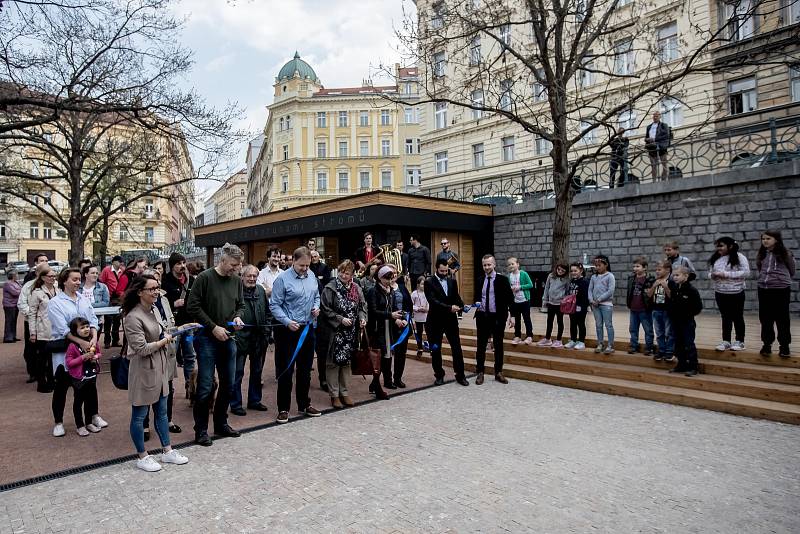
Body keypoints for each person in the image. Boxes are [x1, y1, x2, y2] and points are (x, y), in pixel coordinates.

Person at [122, 274, 189, 472]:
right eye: (151, 289)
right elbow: (141, 348)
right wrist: (164, 341)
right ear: (140, 292)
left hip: (160, 367)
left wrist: (181, 328)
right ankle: (142, 455)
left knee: (161, 411)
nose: (156, 292)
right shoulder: (132, 317)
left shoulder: (154, 310)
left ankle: (167, 451)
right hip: (143, 370)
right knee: (140, 414)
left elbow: (164, 332)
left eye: (157, 288)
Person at [186, 243, 246, 446]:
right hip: (206, 339)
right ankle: (201, 430)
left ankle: (221, 423)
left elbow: (241, 305)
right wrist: (213, 327)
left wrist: (238, 318)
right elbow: (192, 306)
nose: (236, 269)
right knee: (205, 386)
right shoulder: (204, 278)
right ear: (222, 260)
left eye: (238, 265)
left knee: (229, 384)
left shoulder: (236, 281)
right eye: (233, 264)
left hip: (228, 337)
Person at [48, 267, 105, 438]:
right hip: (67, 351)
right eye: (74, 279)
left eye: (79, 279)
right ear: (64, 281)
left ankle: (93, 416)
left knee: (90, 385)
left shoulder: (83, 299)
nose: (78, 282)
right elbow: (62, 328)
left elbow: (93, 319)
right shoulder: (55, 302)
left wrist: (94, 337)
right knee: (62, 387)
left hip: (88, 351)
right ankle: (58, 422)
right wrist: (83, 342)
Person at [270, 246, 322, 424]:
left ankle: (304, 404)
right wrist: (286, 321)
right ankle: (283, 408)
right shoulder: (282, 280)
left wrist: (316, 307)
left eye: (308, 265)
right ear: (293, 261)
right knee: (286, 370)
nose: (305, 269)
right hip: (288, 330)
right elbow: (274, 305)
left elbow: (316, 296)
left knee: (305, 369)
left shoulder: (312, 276)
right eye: (302, 266)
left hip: (307, 329)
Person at [141, 268, 185, 437]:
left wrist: (179, 329)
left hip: (168, 349)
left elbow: (169, 323)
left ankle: (167, 420)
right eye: (152, 284)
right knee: (148, 389)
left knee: (168, 387)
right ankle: (145, 425)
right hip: (151, 351)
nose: (156, 287)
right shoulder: (140, 307)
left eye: (157, 282)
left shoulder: (164, 299)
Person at [318, 260, 367, 408]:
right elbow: (325, 309)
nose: (343, 275)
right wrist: (340, 319)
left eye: (347, 273)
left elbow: (362, 306)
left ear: (352, 274)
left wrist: (362, 318)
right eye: (341, 272)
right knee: (333, 363)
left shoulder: (356, 288)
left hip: (351, 332)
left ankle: (344, 393)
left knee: (346, 363)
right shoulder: (330, 288)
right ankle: (334, 395)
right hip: (334, 332)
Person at [230, 264, 271, 415]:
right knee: (238, 372)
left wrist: (266, 332)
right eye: (249, 276)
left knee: (257, 371)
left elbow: (267, 312)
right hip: (240, 337)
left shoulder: (260, 290)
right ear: (242, 276)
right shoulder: (235, 291)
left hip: (259, 338)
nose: (252, 279)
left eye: (255, 276)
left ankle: (255, 400)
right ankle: (235, 403)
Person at [424, 259, 468, 386]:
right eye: (441, 271)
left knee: (457, 348)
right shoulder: (429, 282)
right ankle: (439, 375)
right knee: (436, 350)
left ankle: (460, 375)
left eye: (446, 271)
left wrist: (462, 306)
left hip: (451, 321)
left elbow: (456, 297)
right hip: (435, 321)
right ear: (436, 269)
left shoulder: (452, 281)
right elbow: (432, 301)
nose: (444, 273)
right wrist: (449, 308)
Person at [756, 230, 796, 357]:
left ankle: (784, 346)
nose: (765, 241)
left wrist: (779, 279)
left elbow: (792, 270)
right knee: (765, 318)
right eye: (763, 239)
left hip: (780, 289)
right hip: (764, 289)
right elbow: (759, 268)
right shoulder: (761, 254)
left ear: (776, 240)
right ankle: (767, 344)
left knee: (782, 318)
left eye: (768, 238)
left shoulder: (786, 254)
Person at [474, 255, 512, 385]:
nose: (487, 267)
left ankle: (498, 372)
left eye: (489, 264)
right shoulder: (479, 279)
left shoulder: (502, 280)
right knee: (480, 346)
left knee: (498, 345)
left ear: (494, 264)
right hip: (483, 316)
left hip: (497, 317)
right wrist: (476, 305)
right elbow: (478, 297)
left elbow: (510, 299)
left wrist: (511, 316)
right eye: (484, 265)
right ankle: (480, 372)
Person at [708, 237, 751, 352]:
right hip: (720, 292)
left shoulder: (740, 257)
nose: (718, 248)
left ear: (730, 246)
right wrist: (712, 275)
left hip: (736, 292)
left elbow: (746, 272)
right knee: (725, 317)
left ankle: (740, 341)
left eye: (721, 246)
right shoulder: (716, 258)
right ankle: (726, 341)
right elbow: (710, 272)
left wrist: (725, 274)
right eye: (717, 246)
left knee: (737, 316)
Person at [367, 266, 403, 397]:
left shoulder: (390, 291)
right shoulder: (373, 291)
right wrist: (390, 315)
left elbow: (393, 308)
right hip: (378, 330)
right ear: (379, 278)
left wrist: (400, 317)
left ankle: (377, 384)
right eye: (386, 278)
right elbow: (373, 312)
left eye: (391, 278)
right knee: (379, 359)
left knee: (387, 357)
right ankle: (377, 388)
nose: (389, 281)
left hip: (389, 328)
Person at [162, 252, 197, 385]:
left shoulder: (191, 280)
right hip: (173, 327)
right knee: (171, 355)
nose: (182, 266)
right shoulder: (165, 281)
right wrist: (173, 304)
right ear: (172, 266)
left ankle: (190, 385)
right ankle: (168, 386)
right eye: (178, 264)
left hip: (189, 325)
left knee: (190, 355)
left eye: (183, 263)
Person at [64, 317, 101, 436]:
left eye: (87, 327)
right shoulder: (73, 346)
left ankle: (89, 422)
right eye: (82, 328)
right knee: (79, 401)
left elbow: (99, 352)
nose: (86, 329)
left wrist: (96, 357)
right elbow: (69, 363)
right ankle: (80, 425)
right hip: (79, 378)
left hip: (91, 375)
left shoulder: (91, 341)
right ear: (75, 331)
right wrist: (83, 357)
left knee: (90, 400)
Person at [18, 255, 50, 382]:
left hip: (48, 323)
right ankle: (33, 373)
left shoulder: (54, 285)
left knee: (47, 348)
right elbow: (22, 303)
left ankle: (48, 372)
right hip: (32, 322)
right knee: (31, 349)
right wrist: (34, 314)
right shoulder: (28, 286)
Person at [28, 266, 58, 392]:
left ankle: (52, 381)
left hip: (55, 330)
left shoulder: (58, 290)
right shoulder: (37, 293)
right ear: (43, 278)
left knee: (53, 358)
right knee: (42, 359)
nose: (52, 278)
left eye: (54, 276)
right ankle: (41, 383)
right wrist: (32, 333)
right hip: (42, 330)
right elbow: (32, 313)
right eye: (50, 276)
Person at [668, 266, 703, 376]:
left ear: (686, 276)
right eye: (674, 275)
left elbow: (698, 307)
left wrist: (687, 314)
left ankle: (693, 366)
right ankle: (681, 364)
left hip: (687, 322)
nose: (675, 277)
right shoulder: (674, 289)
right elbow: (671, 303)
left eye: (677, 275)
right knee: (678, 343)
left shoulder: (692, 291)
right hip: (675, 321)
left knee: (689, 344)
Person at [647, 261, 676, 362]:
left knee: (669, 333)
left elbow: (673, 296)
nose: (657, 271)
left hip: (667, 311)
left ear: (668, 270)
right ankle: (661, 350)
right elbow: (649, 295)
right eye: (656, 270)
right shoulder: (655, 281)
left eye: (659, 269)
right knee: (659, 333)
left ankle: (669, 352)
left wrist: (666, 286)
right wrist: (654, 286)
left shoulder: (672, 281)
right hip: (656, 310)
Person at [626, 257, 655, 355]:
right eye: (634, 266)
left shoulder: (650, 279)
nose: (635, 268)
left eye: (638, 266)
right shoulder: (631, 279)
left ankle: (649, 347)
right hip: (633, 308)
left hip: (644, 309)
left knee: (648, 329)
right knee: (633, 329)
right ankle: (634, 345)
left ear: (645, 268)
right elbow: (629, 292)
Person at [589, 255, 616, 355]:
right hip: (595, 305)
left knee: (608, 325)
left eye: (599, 265)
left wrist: (599, 299)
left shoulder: (610, 276)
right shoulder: (593, 277)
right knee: (598, 325)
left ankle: (610, 344)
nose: (597, 267)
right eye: (596, 266)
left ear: (606, 265)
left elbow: (610, 291)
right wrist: (591, 300)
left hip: (606, 304)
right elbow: (590, 290)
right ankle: (600, 343)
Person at [390, 271, 413, 387]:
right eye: (390, 273)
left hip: (403, 324)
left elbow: (409, 305)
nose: (393, 275)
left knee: (401, 354)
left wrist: (405, 319)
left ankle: (398, 378)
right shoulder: (383, 288)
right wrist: (395, 320)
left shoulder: (402, 287)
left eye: (395, 273)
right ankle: (387, 379)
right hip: (389, 324)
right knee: (387, 355)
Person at [539, 263, 568, 348]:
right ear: (556, 269)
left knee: (560, 321)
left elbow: (567, 291)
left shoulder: (566, 279)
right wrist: (544, 299)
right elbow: (547, 288)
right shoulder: (551, 276)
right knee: (549, 321)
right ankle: (547, 339)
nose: (560, 271)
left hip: (560, 304)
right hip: (551, 303)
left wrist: (564, 299)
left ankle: (559, 340)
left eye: (563, 271)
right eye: (559, 269)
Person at [507, 257, 533, 346]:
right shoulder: (509, 276)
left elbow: (530, 285)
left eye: (512, 264)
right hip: (515, 301)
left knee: (526, 318)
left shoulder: (523, 274)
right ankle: (517, 336)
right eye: (509, 264)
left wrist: (520, 287)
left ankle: (529, 336)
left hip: (524, 300)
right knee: (517, 320)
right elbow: (508, 287)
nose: (511, 266)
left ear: (518, 264)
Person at [100, 255, 124, 348]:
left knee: (117, 320)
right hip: (108, 297)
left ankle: (115, 340)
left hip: (118, 298)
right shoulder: (106, 270)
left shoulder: (122, 271)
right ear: (113, 262)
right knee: (108, 320)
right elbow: (102, 281)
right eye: (118, 262)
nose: (120, 264)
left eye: (121, 262)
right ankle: (107, 341)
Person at [565, 263, 590, 350]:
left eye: (575, 271)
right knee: (573, 323)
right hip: (572, 306)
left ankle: (581, 342)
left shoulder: (585, 282)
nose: (573, 272)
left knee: (581, 324)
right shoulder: (572, 281)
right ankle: (573, 340)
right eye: (571, 271)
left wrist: (582, 306)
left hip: (581, 307)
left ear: (581, 271)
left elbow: (586, 296)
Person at [644, 110, 671, 181]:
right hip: (651, 147)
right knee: (653, 165)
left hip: (661, 146)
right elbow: (646, 136)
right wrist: (647, 140)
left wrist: (654, 139)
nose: (655, 117)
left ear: (660, 116)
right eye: (654, 116)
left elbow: (666, 136)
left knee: (664, 164)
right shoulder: (649, 127)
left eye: (657, 116)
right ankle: (654, 181)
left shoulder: (664, 125)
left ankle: (664, 179)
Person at [411, 276, 429, 357]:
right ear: (418, 284)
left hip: (427, 316)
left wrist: (427, 309)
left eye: (425, 284)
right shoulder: (414, 294)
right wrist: (418, 308)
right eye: (422, 284)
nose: (424, 286)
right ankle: (420, 348)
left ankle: (430, 347)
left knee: (429, 332)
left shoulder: (428, 292)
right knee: (419, 333)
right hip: (418, 317)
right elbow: (411, 305)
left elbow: (430, 302)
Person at [3, 270, 21, 343]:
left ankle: (13, 336)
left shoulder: (16, 282)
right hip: (9, 305)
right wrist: (20, 290)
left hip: (15, 304)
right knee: (9, 321)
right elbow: (15, 292)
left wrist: (20, 290)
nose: (17, 275)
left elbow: (20, 289)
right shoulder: (7, 283)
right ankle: (8, 337)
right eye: (16, 274)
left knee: (14, 321)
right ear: (13, 276)